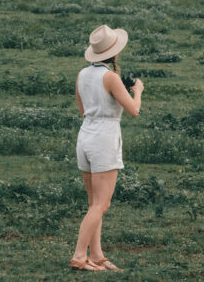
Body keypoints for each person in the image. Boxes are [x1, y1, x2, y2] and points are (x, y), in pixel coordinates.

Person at [70, 25, 144, 272]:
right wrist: (138, 91)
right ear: (113, 53)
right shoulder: (111, 77)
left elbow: (82, 109)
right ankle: (80, 255)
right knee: (102, 204)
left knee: (93, 202)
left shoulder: (82, 74)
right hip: (104, 139)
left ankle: (97, 255)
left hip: (85, 136)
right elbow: (134, 110)